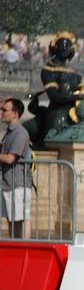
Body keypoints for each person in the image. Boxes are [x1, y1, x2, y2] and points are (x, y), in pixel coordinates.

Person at [0, 98, 33, 240]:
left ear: (15, 113)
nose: (1, 113)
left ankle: (26, 248)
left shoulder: (20, 132)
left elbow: (10, 158)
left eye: (4, 110)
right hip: (8, 183)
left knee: (22, 218)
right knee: (12, 219)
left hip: (19, 184)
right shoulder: (9, 132)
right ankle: (16, 247)